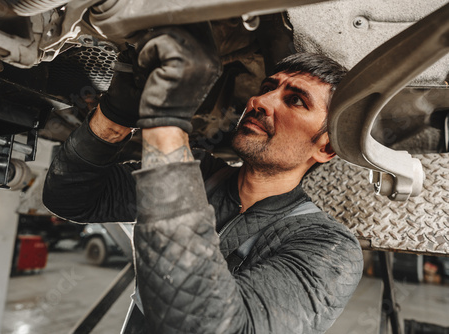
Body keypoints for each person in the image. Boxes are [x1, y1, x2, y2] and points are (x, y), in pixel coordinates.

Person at [43, 27, 363, 333]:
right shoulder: (199, 172)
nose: (259, 102)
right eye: (267, 88)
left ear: (326, 148)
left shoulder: (330, 248)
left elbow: (216, 327)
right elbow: (71, 197)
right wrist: (114, 116)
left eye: (296, 100)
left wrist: (166, 121)